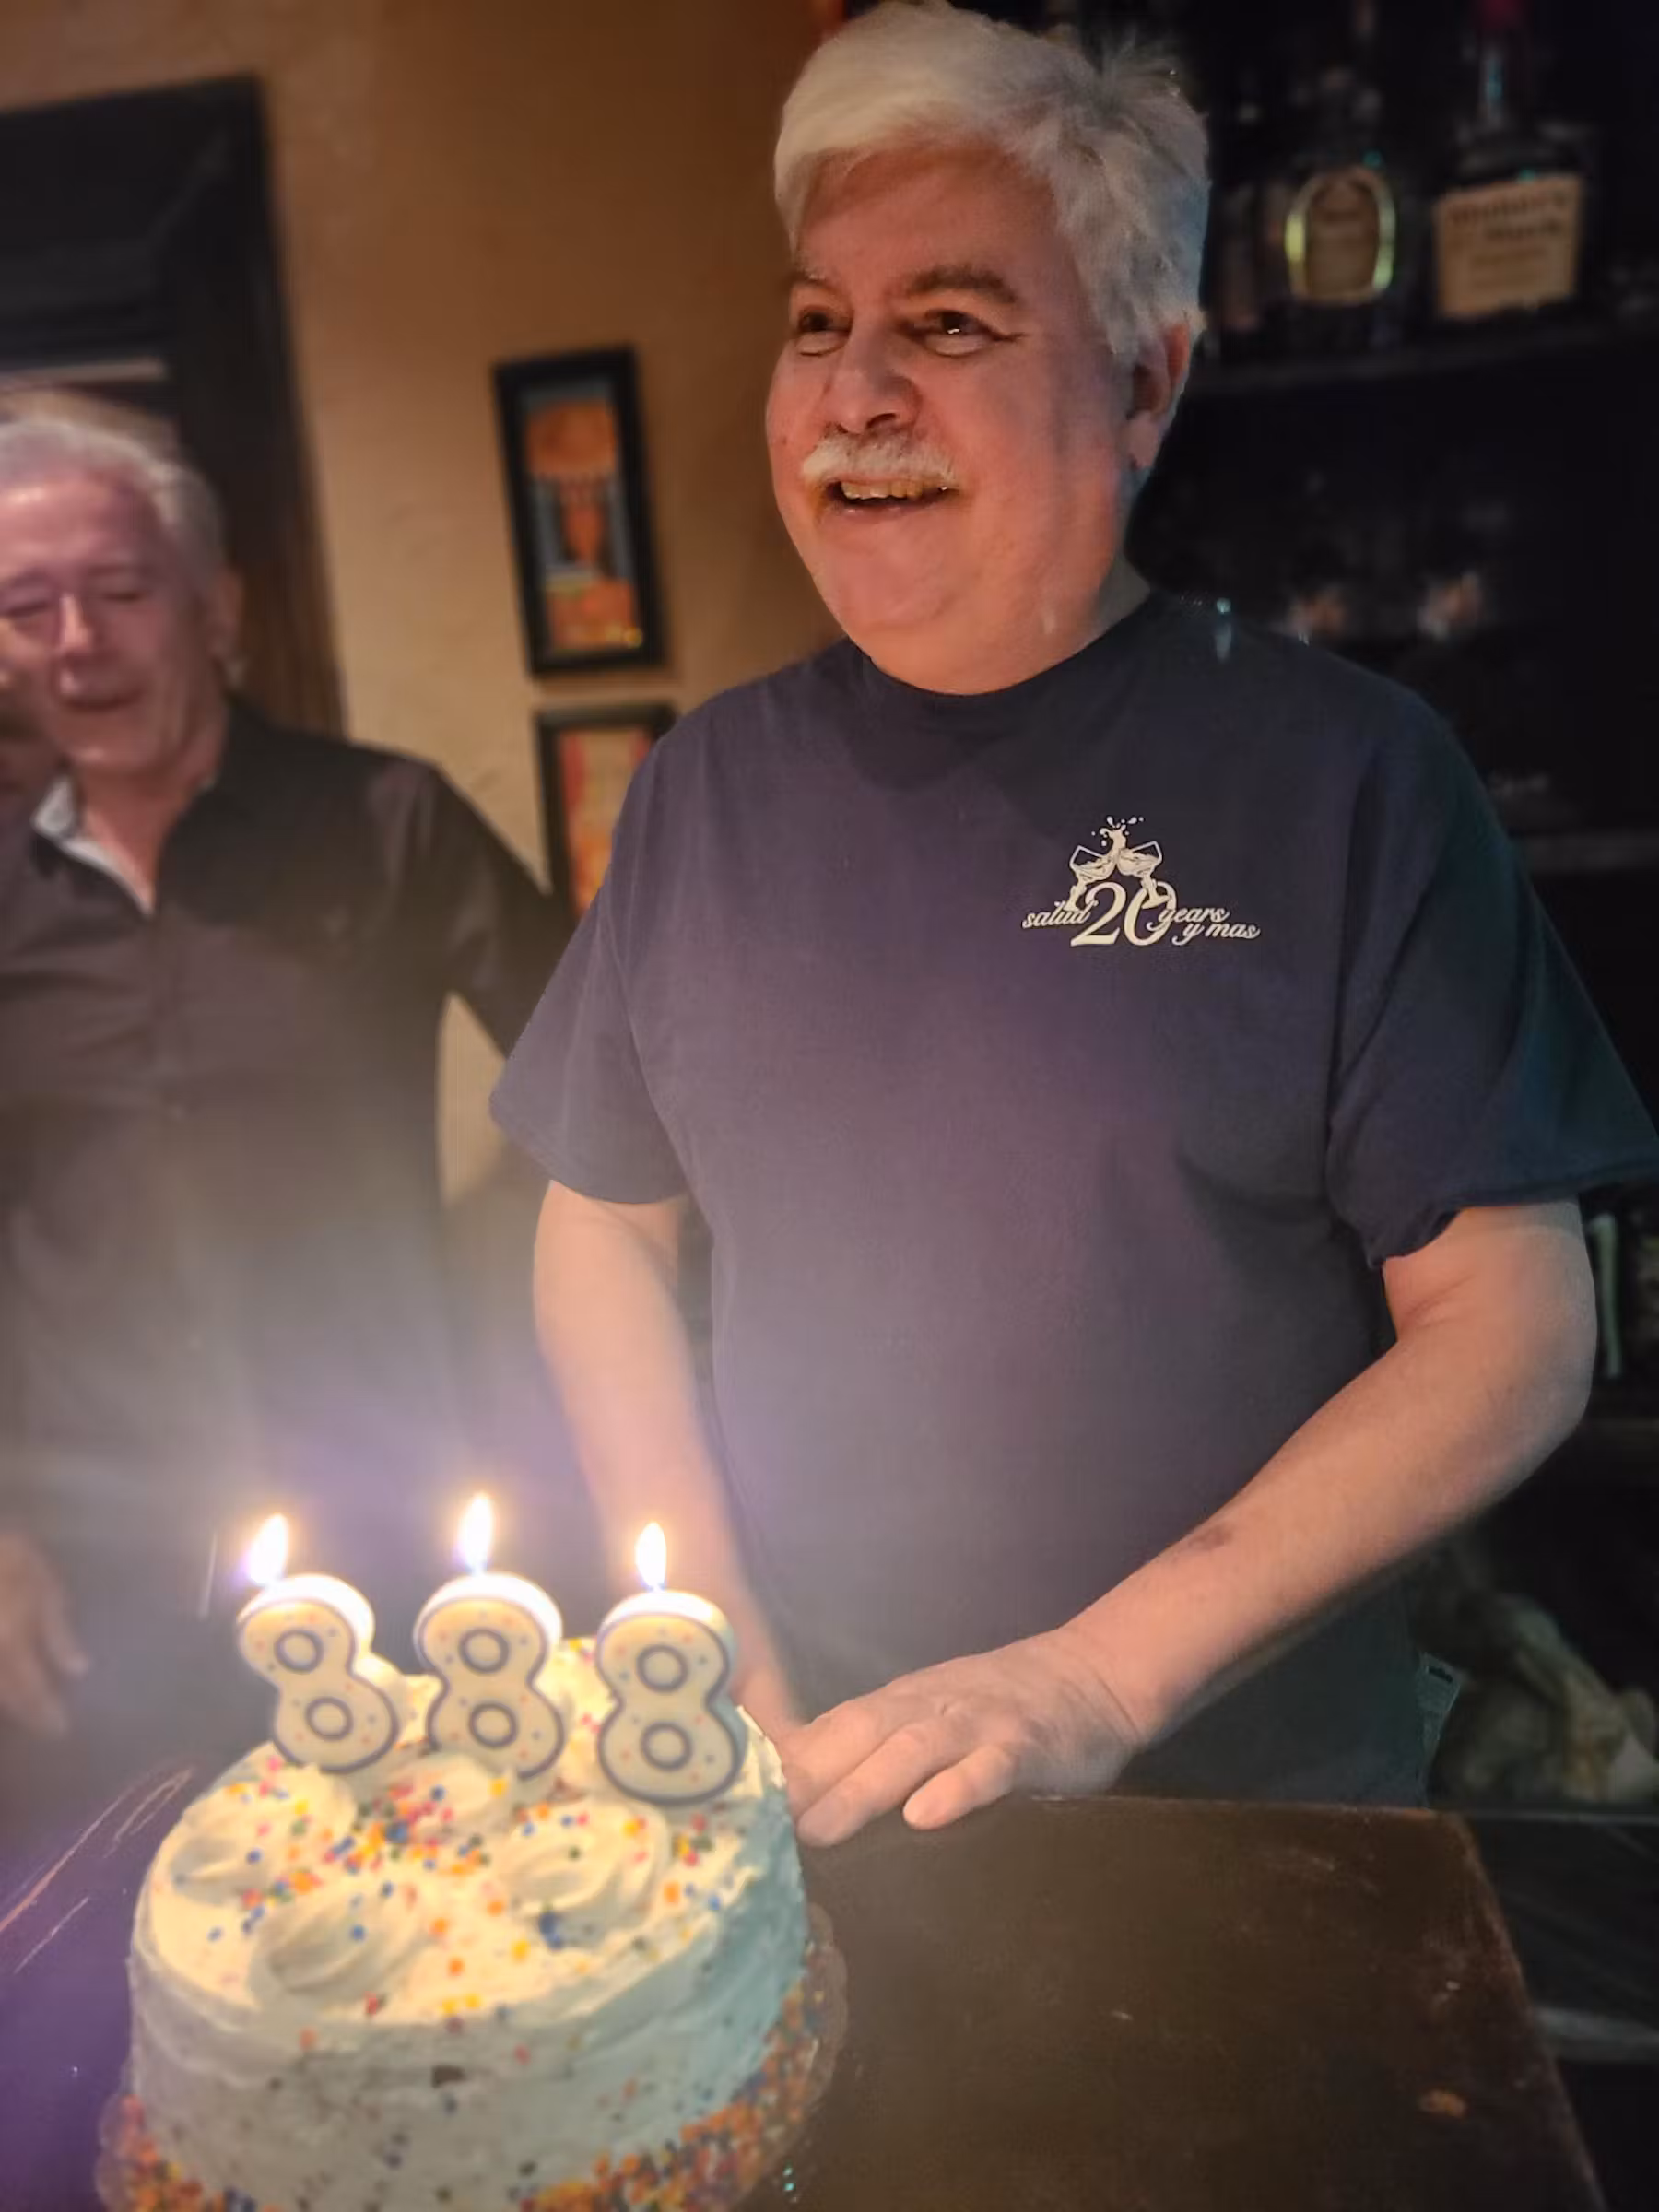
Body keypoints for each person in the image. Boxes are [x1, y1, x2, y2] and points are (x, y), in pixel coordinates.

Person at [493, 4, 1659, 1841]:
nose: (856, 389)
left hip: (1242, 1805)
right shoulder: (705, 788)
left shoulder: (1347, 773)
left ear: (1144, 380)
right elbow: (599, 1233)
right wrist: (707, 1644)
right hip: (814, 1779)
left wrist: (1094, 1676)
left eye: (949, 324)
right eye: (821, 325)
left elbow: (1513, 1331)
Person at [0, 412, 564, 1826]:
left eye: (119, 590)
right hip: (94, 1570)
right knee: (151, 1963)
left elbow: (606, 1098)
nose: (75, 640)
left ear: (217, 605)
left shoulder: (390, 824)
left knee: (439, 1900)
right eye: (26, 605)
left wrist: (519, 1310)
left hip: (391, 1504)